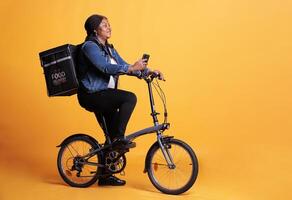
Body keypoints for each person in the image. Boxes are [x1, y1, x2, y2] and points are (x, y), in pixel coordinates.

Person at [77, 14, 164, 186]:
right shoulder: (89, 47)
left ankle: (105, 176)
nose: (109, 27)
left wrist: (148, 72)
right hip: (92, 95)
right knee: (129, 98)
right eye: (104, 25)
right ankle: (119, 138)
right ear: (95, 30)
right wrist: (130, 68)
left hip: (106, 95)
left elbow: (125, 65)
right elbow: (106, 67)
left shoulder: (110, 49)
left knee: (110, 137)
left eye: (109, 24)